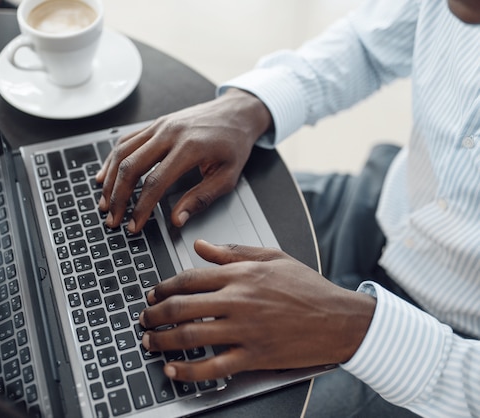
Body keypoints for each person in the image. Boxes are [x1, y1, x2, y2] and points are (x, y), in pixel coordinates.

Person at [94, 0, 480, 416]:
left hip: (450, 351)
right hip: (383, 210)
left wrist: (358, 330)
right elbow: (371, 44)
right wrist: (249, 106)